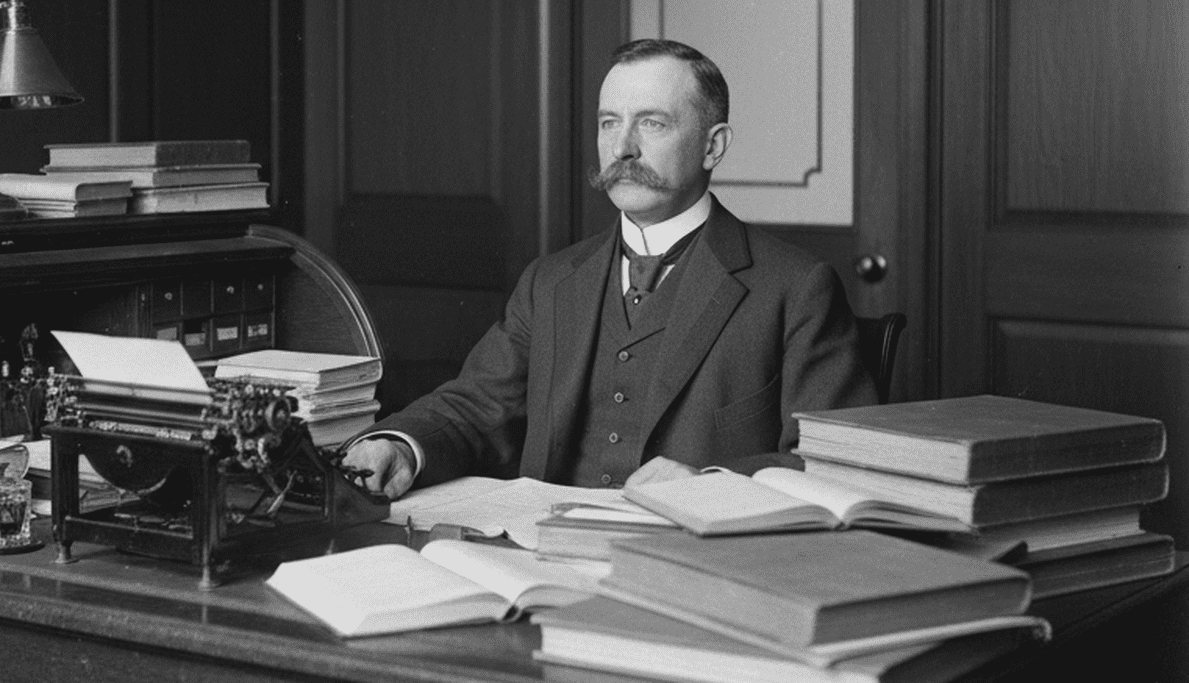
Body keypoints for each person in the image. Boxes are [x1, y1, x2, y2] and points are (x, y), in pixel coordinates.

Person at [343, 38, 877, 499]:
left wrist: (710, 483)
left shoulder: (794, 288)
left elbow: (831, 465)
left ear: (714, 146)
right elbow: (476, 405)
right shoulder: (550, 281)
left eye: (652, 123)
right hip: (541, 555)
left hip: (692, 574)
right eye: (609, 123)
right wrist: (399, 445)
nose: (621, 147)